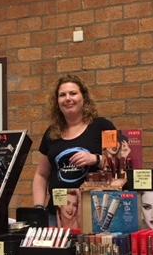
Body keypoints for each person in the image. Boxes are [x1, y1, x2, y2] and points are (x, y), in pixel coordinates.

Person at [33, 74, 116, 226]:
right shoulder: (52, 133)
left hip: (94, 214)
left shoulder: (102, 126)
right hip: (57, 215)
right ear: (57, 101)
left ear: (84, 97)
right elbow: (41, 174)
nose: (68, 98)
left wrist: (95, 159)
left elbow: (120, 166)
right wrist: (38, 209)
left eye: (73, 93)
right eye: (62, 95)